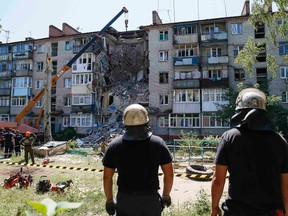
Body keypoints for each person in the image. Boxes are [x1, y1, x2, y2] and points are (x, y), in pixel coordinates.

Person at [211, 88, 288, 216]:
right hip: (272, 212)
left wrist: (214, 207)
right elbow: (285, 185)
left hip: (237, 211)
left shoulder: (229, 137)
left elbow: (218, 180)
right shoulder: (280, 141)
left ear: (239, 112)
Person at [102, 104, 174, 216]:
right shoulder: (158, 143)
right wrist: (166, 195)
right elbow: (169, 173)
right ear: (146, 121)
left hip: (125, 200)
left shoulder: (114, 145)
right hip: (150, 201)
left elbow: (107, 176)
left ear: (124, 122)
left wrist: (109, 200)